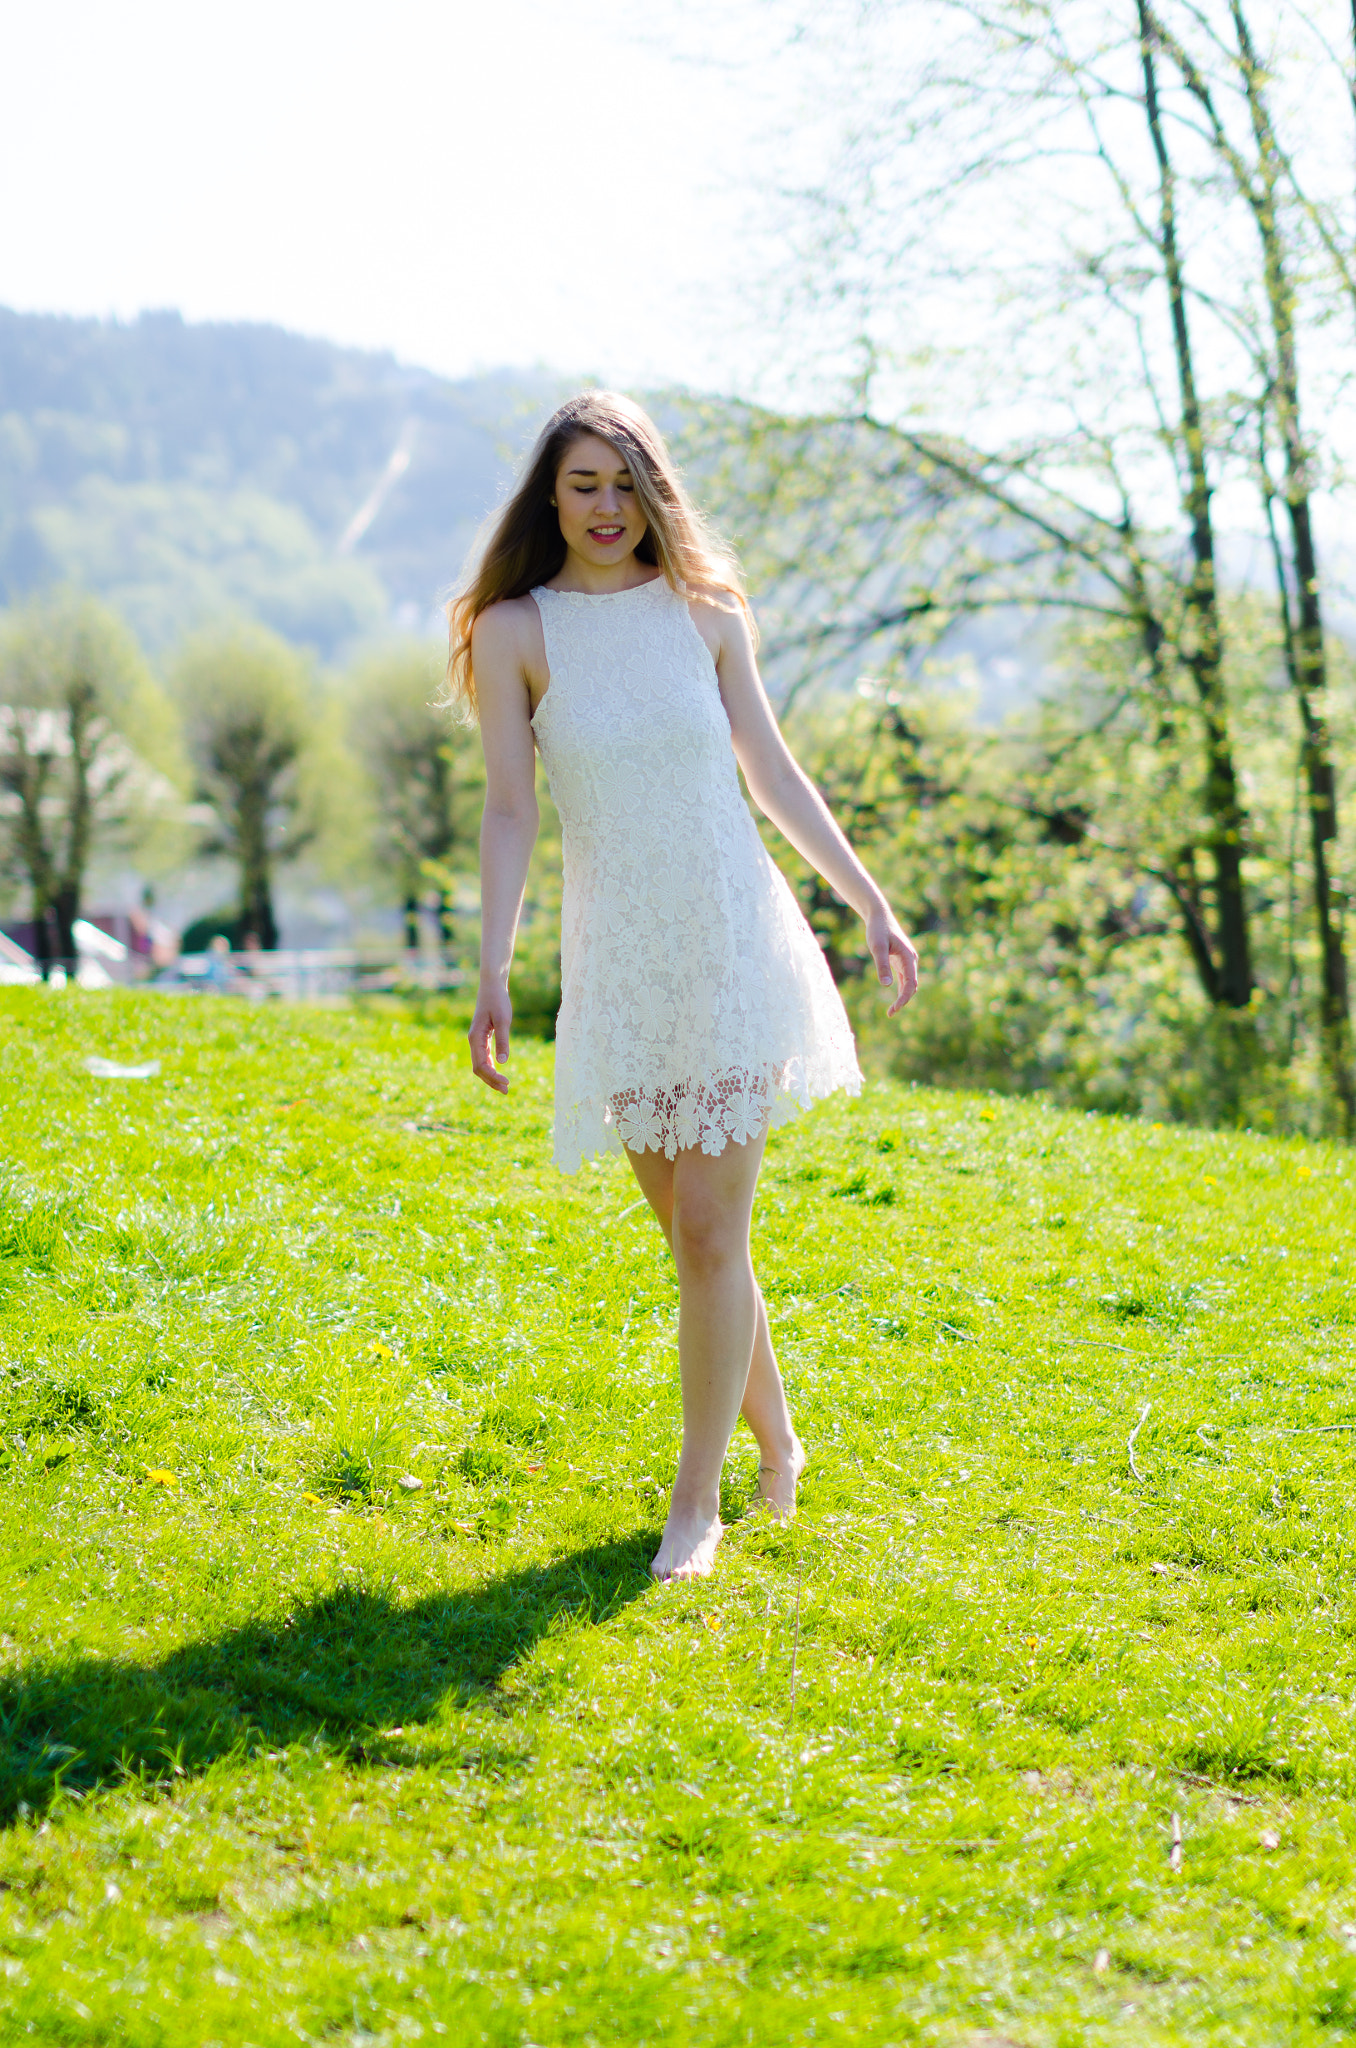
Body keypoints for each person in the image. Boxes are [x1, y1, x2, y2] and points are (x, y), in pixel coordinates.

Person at [448, 393, 918, 1582]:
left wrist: (867, 900)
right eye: (584, 484)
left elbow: (771, 767)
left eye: (624, 482)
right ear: (550, 497)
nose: (606, 508)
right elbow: (510, 807)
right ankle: (783, 1445)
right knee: (692, 1236)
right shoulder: (515, 631)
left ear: (653, 490)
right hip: (622, 962)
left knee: (713, 1225)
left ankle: (695, 1502)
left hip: (730, 938)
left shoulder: (706, 611)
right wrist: (495, 967)